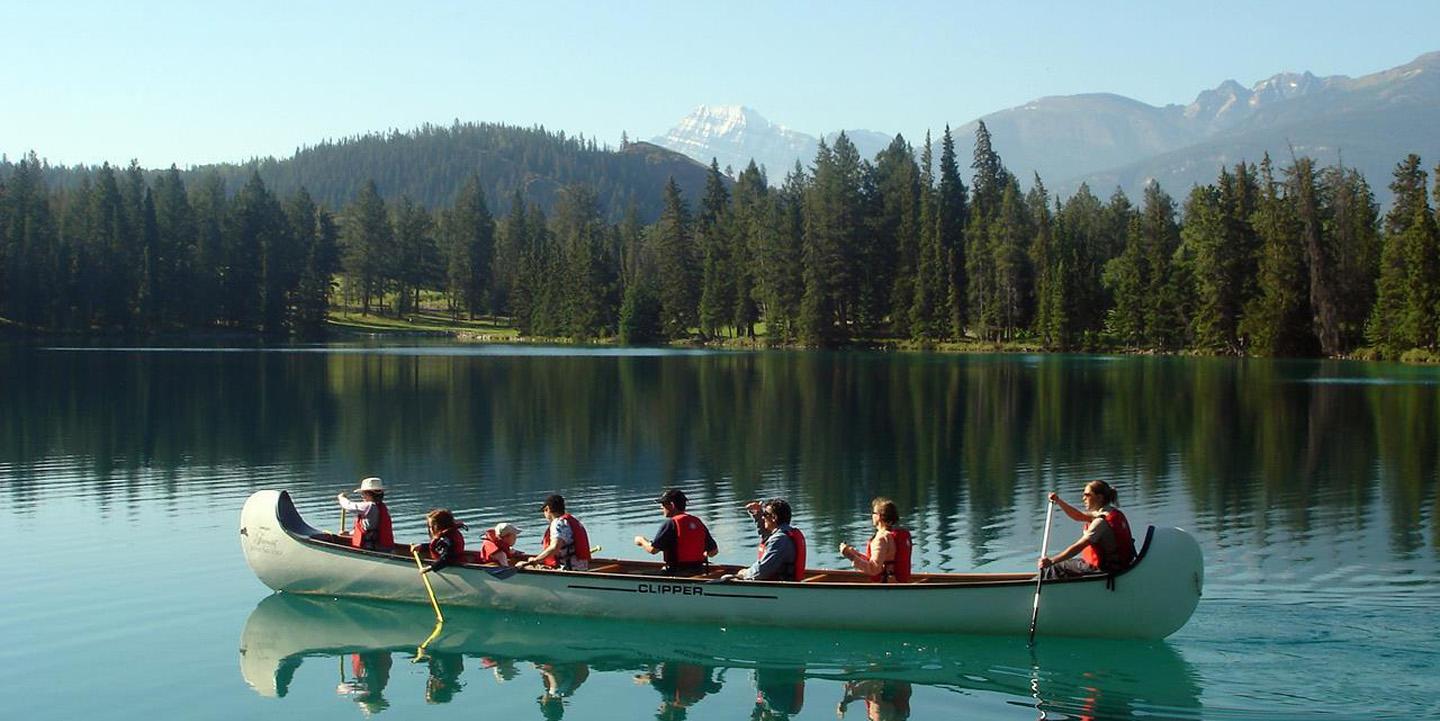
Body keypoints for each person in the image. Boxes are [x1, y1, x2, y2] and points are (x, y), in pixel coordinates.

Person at [1039, 480, 1137, 579]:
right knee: (1062, 566)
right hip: (1116, 565)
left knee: (1056, 568)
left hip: (1104, 569)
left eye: (1087, 495)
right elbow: (1078, 516)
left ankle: (1039, 582)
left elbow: (1079, 546)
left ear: (1099, 497)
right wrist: (1058, 501)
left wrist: (1052, 561)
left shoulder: (1100, 522)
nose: (1083, 498)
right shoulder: (1109, 512)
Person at [633, 488, 718, 573]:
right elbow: (713, 551)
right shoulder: (697, 522)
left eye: (663, 504)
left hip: (675, 572)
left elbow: (653, 550)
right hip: (698, 570)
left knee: (637, 573)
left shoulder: (671, 523)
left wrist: (641, 540)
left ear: (672, 505)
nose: (661, 507)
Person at [839, 497, 913, 583]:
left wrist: (850, 556)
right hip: (896, 582)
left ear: (879, 516)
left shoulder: (881, 538)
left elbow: (874, 569)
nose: (872, 516)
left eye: (873, 513)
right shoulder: (892, 535)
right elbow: (878, 561)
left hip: (886, 584)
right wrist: (856, 554)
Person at [728, 498, 805, 581]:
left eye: (765, 514)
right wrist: (758, 514)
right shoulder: (786, 533)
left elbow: (761, 572)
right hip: (782, 583)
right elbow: (767, 537)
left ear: (774, 517)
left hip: (779, 586)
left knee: (725, 578)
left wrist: (744, 573)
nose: (763, 517)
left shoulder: (780, 539)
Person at [517, 494, 591, 571]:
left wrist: (536, 560)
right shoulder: (570, 521)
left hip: (567, 569)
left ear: (547, 509)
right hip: (582, 567)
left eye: (544, 511)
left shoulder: (557, 523)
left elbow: (555, 547)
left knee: (520, 564)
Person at [337, 477, 395, 551]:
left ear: (368, 494)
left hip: (370, 548)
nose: (362, 496)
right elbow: (369, 528)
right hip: (383, 547)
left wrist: (341, 498)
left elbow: (348, 506)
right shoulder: (381, 506)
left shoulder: (368, 506)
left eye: (363, 493)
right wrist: (349, 534)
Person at [411, 508, 467, 574]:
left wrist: (430, 568)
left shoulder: (449, 539)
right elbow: (439, 546)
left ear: (441, 525)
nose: (431, 529)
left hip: (453, 561)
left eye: (432, 526)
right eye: (430, 527)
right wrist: (422, 546)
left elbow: (447, 558)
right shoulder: (448, 536)